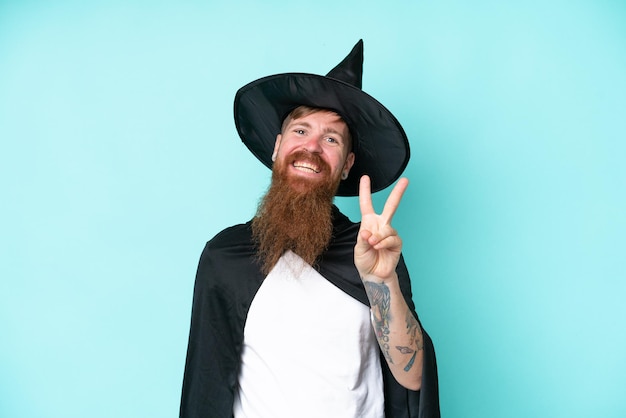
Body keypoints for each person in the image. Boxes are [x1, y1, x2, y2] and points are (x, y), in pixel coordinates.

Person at [180, 40, 440, 418]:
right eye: (301, 131)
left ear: (348, 164)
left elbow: (412, 379)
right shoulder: (226, 256)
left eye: (331, 139)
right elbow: (205, 386)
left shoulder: (369, 249)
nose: (312, 147)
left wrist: (381, 282)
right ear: (277, 146)